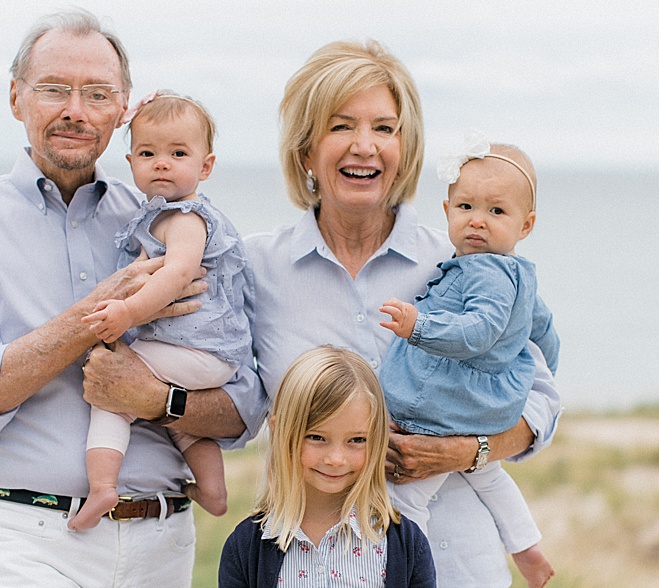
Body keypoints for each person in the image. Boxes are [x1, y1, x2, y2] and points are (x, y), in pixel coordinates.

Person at [0, 9, 265, 586]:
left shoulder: (167, 219)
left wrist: (160, 400)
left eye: (97, 94)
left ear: (122, 108)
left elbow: (246, 404)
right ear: (16, 98)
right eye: (54, 89)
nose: (75, 111)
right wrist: (91, 317)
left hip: (164, 538)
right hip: (26, 538)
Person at [244, 40, 562, 586]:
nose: (364, 147)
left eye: (385, 129)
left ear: (406, 147)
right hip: (316, 567)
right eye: (341, 126)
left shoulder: (466, 262)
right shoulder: (255, 267)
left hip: (459, 561)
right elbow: (236, 410)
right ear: (305, 150)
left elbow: (541, 400)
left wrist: (465, 450)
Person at [378, 134, 556, 587]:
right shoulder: (519, 274)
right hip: (479, 407)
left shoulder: (486, 272)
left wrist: (418, 326)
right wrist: (517, 371)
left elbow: (478, 332)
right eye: (466, 208)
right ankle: (527, 547)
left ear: (526, 224)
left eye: (496, 211)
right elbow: (545, 335)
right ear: (446, 212)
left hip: (444, 403)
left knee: (407, 497)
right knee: (488, 477)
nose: (478, 222)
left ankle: (404, 571)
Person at [72, 90, 251, 530]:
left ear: (205, 166)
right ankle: (212, 490)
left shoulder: (185, 218)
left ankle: (102, 488)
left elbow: (177, 275)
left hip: (200, 350)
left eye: (178, 153)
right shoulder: (161, 214)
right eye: (148, 153)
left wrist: (128, 313)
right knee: (182, 421)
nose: (162, 163)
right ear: (131, 162)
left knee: (114, 393)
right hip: (205, 354)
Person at [219, 346, 436, 587]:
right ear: (280, 431)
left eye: (356, 440)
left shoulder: (407, 545)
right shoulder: (244, 549)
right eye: (317, 437)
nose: (336, 459)